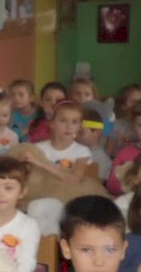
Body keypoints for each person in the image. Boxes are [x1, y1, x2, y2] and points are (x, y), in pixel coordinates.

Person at [23, 99, 94, 236]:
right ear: (52, 123)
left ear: (80, 126)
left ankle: (53, 244)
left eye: (74, 122)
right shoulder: (38, 148)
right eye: (63, 121)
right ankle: (45, 245)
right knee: (35, 207)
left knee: (39, 207)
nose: (69, 126)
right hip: (41, 195)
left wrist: (41, 163)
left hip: (68, 199)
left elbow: (74, 179)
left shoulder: (82, 151)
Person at [105, 84, 141, 157]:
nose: (140, 106)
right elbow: (109, 151)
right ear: (124, 105)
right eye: (135, 102)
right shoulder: (115, 125)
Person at [77, 106, 112, 182]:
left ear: (97, 132)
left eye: (81, 133)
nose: (76, 136)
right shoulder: (73, 151)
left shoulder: (102, 161)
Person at [9, 78, 39, 142]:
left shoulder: (39, 114)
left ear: (31, 98)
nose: (16, 98)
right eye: (13, 95)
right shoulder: (11, 114)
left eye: (21, 95)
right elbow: (8, 133)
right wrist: (25, 131)